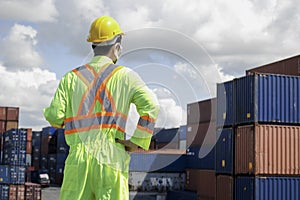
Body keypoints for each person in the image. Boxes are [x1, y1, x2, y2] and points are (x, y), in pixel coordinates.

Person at [44, 16, 160, 200]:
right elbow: (151, 106)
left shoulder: (71, 78)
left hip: (79, 160)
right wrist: (137, 140)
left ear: (93, 45)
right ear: (117, 45)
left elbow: (54, 116)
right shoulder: (127, 76)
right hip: (112, 158)